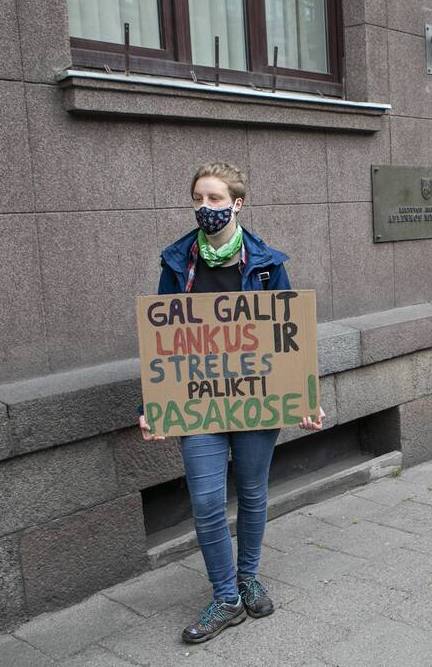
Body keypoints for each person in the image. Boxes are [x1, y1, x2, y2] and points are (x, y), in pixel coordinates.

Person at [137, 162, 325, 643]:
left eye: (216, 199)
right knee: (204, 501)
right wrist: (154, 404)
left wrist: (304, 396)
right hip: (199, 402)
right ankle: (226, 597)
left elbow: (289, 335)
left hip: (258, 400)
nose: (206, 207)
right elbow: (165, 338)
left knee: (254, 494)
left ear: (237, 203)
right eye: (199, 198)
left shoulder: (267, 262)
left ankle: (247, 577)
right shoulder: (176, 263)